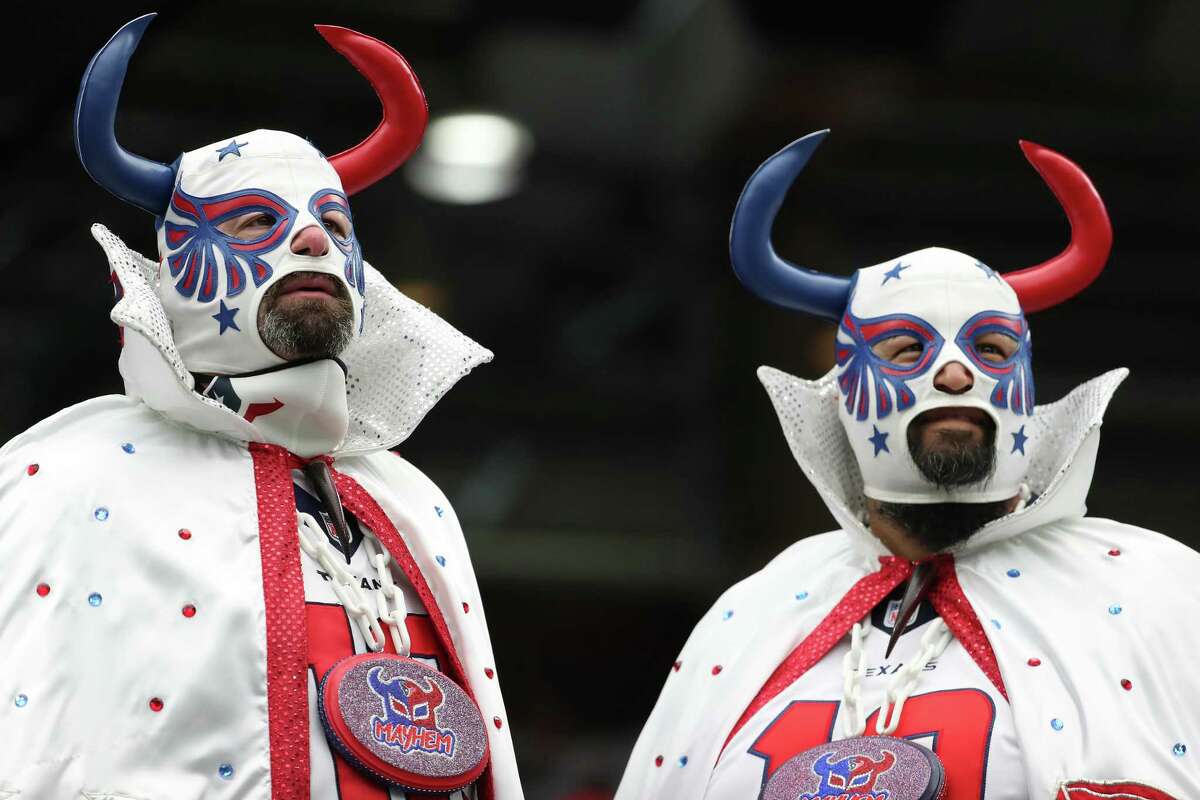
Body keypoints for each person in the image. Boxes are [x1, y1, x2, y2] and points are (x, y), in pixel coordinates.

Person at [0, 14, 523, 800]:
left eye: (334, 223)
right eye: (257, 223)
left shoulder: (413, 503)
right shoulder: (59, 481)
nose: (313, 241)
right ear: (176, 267)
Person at [616, 131, 1200, 799]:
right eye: (904, 350)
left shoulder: (1165, 596)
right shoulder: (754, 616)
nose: (955, 373)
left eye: (989, 345)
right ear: (843, 390)